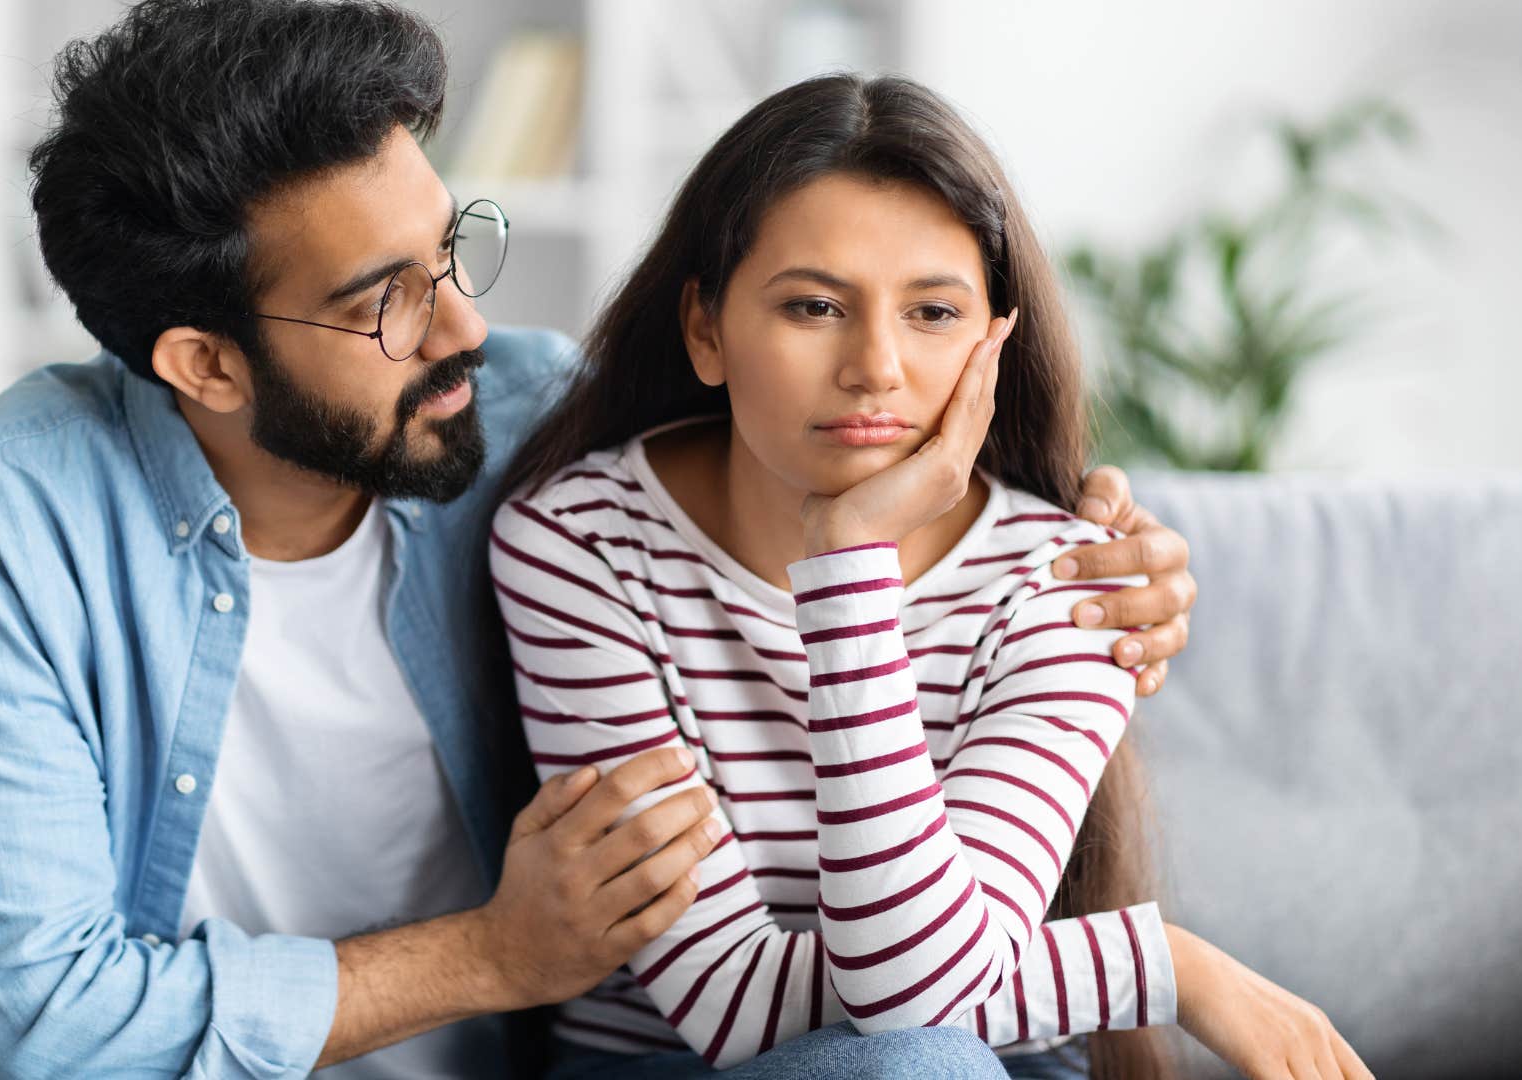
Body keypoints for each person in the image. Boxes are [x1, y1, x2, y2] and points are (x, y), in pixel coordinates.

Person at [0, 4, 1199, 1078]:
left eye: (451, 249)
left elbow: (823, 451)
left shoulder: (530, 420)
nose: (465, 328)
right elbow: (54, 1028)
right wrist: (491, 956)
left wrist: (1106, 548)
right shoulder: (9, 519)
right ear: (207, 363)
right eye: (383, 302)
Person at [491, 74, 1370, 1080]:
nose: (876, 366)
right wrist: (1158, 966)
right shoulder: (580, 543)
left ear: (996, 341)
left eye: (934, 313)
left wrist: (845, 561)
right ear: (706, 329)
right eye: (814, 306)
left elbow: (923, 1003)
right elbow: (736, 1003)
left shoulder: (1076, 582)